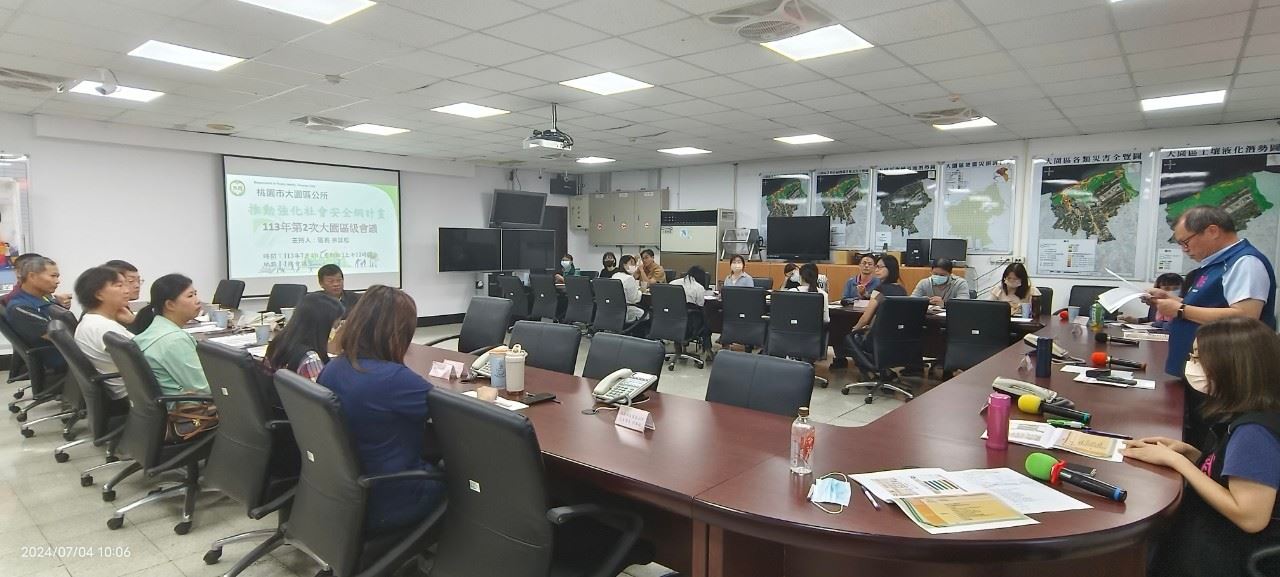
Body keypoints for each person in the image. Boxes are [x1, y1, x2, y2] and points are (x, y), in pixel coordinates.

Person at [1122, 317, 1280, 577]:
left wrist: (1178, 463)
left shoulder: (1254, 433)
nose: (1191, 364)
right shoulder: (1253, 412)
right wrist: (1192, 455)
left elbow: (1250, 517)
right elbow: (1231, 475)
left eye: (1198, 358)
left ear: (1232, 367)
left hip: (1228, 553)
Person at [317, 285, 443, 532]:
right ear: (399, 333)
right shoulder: (395, 379)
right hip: (392, 498)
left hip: (343, 494)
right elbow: (453, 417)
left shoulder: (333, 367)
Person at [1148, 206, 1276, 380]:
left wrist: (1180, 310)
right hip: (1202, 368)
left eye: (1185, 242)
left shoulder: (1245, 262)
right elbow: (1210, 305)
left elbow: (1245, 317)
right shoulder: (1215, 264)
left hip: (1225, 371)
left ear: (1212, 231)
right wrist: (1171, 299)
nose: (1184, 249)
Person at [132, 274, 211, 396]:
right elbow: (204, 388)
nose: (197, 300)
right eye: (190, 296)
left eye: (195, 294)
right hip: (188, 405)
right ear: (170, 305)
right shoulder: (175, 340)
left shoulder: (155, 328)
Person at [72, 266, 132, 411]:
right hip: (133, 395)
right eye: (119, 285)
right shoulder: (104, 328)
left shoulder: (91, 321)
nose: (127, 290)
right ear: (99, 294)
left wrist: (132, 321)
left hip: (126, 390)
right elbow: (148, 357)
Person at [837, 255, 910, 367]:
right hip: (896, 338)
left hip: (876, 338)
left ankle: (870, 368)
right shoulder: (902, 290)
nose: (876, 270)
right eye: (876, 267)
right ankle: (882, 368)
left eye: (880, 267)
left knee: (848, 338)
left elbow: (865, 318)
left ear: (890, 269)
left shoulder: (879, 290)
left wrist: (854, 329)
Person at [5, 255, 67, 370]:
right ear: (32, 276)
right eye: (53, 276)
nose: (57, 281)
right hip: (62, 362)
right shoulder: (21, 307)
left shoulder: (42, 299)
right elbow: (61, 338)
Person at [265, 293, 344, 381]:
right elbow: (319, 389)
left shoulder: (278, 342)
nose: (335, 332)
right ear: (322, 327)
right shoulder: (310, 359)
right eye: (334, 326)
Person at [103, 259, 141, 326]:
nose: (137, 285)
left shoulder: (123, 309)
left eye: (139, 280)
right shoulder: (104, 316)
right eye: (131, 281)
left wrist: (133, 321)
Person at [612, 255, 645, 325]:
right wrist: (641, 291)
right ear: (624, 265)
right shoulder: (629, 278)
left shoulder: (615, 275)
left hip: (614, 311)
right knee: (647, 314)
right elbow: (634, 299)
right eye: (631, 263)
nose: (634, 266)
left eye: (634, 264)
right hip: (627, 311)